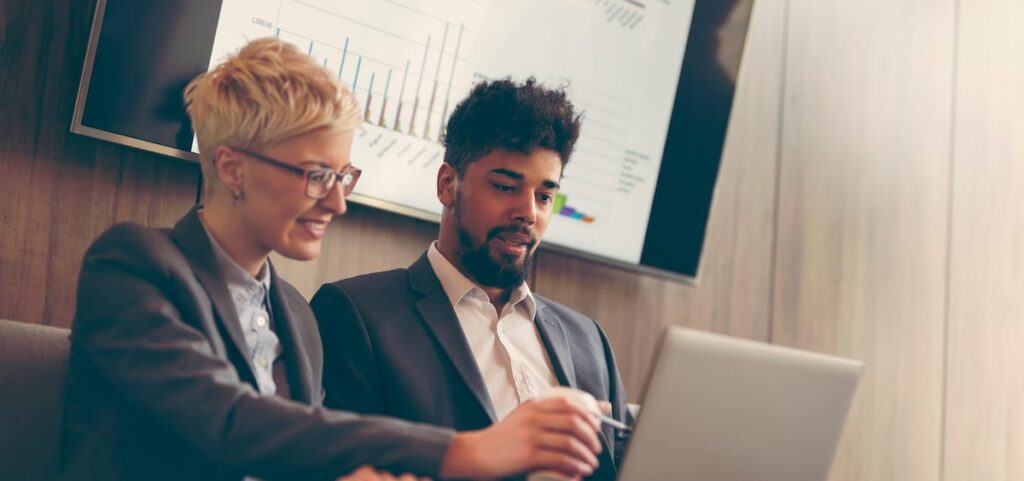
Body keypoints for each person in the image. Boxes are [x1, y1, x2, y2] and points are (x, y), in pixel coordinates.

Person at [59, 40, 601, 481]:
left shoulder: (295, 314)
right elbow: (227, 420)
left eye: (344, 177)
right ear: (231, 168)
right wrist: (459, 451)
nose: (337, 201)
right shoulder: (133, 265)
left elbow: (303, 454)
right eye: (317, 174)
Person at [310, 78, 630, 481]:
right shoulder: (356, 313)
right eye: (505, 186)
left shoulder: (589, 340)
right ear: (447, 185)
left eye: (545, 196)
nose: (528, 213)